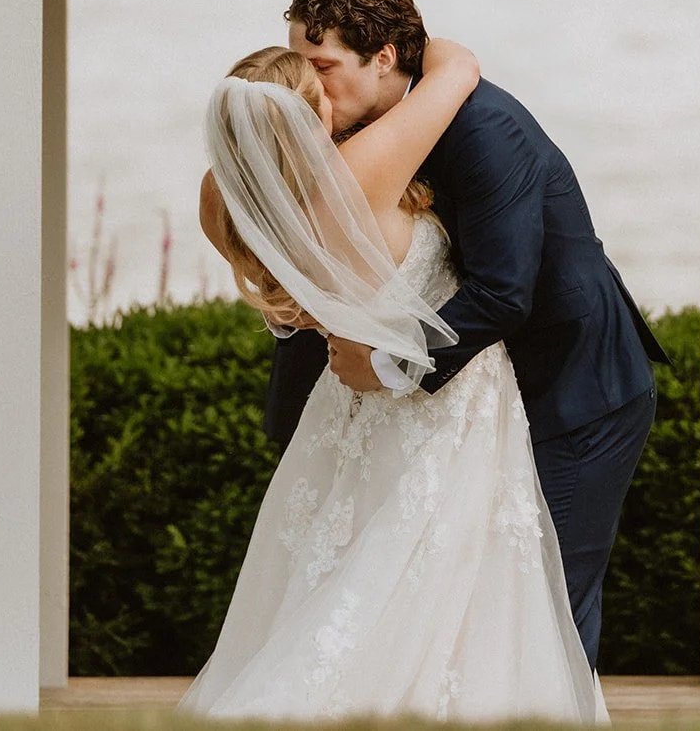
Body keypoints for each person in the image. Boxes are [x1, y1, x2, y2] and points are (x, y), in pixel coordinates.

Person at [179, 40, 602, 722]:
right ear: (308, 116)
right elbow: (457, 70)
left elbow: (298, 311)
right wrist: (395, 40)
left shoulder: (225, 201)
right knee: (443, 587)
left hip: (347, 405)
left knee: (352, 577)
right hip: (447, 406)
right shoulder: (356, 176)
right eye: (319, 87)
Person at [271, 0, 667, 669]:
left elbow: (502, 291)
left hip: (574, 390)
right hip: (475, 399)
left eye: (324, 67)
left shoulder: (486, 128)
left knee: (546, 603)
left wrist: (387, 364)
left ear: (384, 57)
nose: (311, 87)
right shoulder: (358, 131)